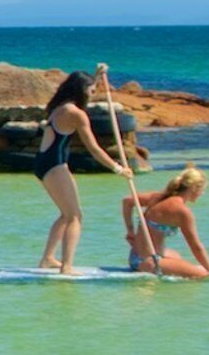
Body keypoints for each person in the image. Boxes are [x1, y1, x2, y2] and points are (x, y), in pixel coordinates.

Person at [32, 67, 135, 273]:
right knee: (75, 217)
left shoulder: (59, 106)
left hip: (44, 163)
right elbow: (95, 150)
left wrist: (97, 76)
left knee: (65, 214)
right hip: (55, 165)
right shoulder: (76, 114)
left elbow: (85, 86)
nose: (93, 92)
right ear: (81, 89)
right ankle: (67, 267)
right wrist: (118, 169)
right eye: (91, 89)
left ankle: (48, 259)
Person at [120, 166, 209, 279]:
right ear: (194, 188)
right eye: (202, 190)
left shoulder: (157, 197)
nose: (202, 193)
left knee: (177, 256)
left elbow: (127, 201)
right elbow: (196, 246)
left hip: (135, 256)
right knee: (202, 275)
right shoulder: (182, 211)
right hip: (149, 262)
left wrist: (130, 231)